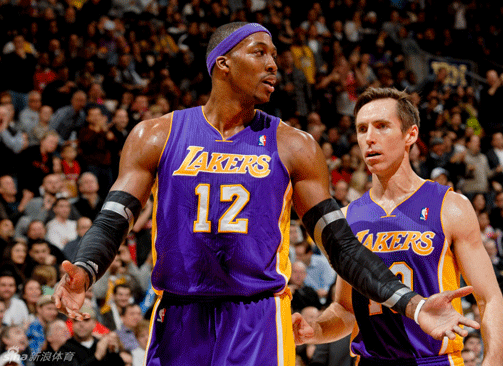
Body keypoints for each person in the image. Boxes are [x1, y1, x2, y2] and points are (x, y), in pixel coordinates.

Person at [54, 23, 478, 366]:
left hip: (257, 314)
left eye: (275, 55)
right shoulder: (156, 135)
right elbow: (115, 218)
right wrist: (86, 269)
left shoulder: (295, 145)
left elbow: (342, 248)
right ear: (222, 63)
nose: (274, 65)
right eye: (260, 53)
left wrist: (414, 306)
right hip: (180, 313)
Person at [293, 88, 503, 365]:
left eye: (382, 126)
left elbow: (489, 299)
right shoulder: (346, 218)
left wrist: (493, 361)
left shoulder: (450, 206)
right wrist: (316, 330)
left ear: (411, 135)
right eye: (361, 129)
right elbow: (346, 310)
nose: (369, 138)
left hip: (433, 360)